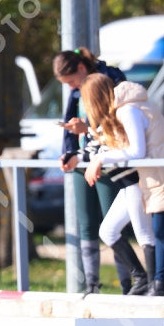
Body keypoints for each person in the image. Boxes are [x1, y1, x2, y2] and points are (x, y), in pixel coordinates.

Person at [80, 73, 164, 297]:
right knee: (158, 231)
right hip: (155, 174)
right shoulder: (123, 110)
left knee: (158, 231)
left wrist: (100, 159)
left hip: (160, 173)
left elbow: (137, 151)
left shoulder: (128, 110)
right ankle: (158, 284)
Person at [54, 48, 135, 294]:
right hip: (84, 161)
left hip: (108, 161)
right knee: (87, 224)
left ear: (81, 69)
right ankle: (92, 285)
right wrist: (69, 152)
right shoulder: (77, 92)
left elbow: (113, 120)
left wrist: (86, 128)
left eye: (70, 82)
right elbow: (72, 123)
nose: (70, 87)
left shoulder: (108, 78)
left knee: (114, 225)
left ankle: (128, 283)